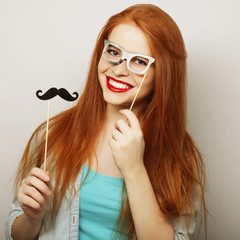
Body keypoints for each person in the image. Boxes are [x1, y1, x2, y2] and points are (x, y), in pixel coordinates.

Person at [5, 4, 206, 240]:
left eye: (139, 61)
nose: (119, 69)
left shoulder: (179, 156)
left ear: (163, 73)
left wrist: (134, 170)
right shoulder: (55, 134)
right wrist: (31, 217)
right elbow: (15, 234)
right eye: (114, 52)